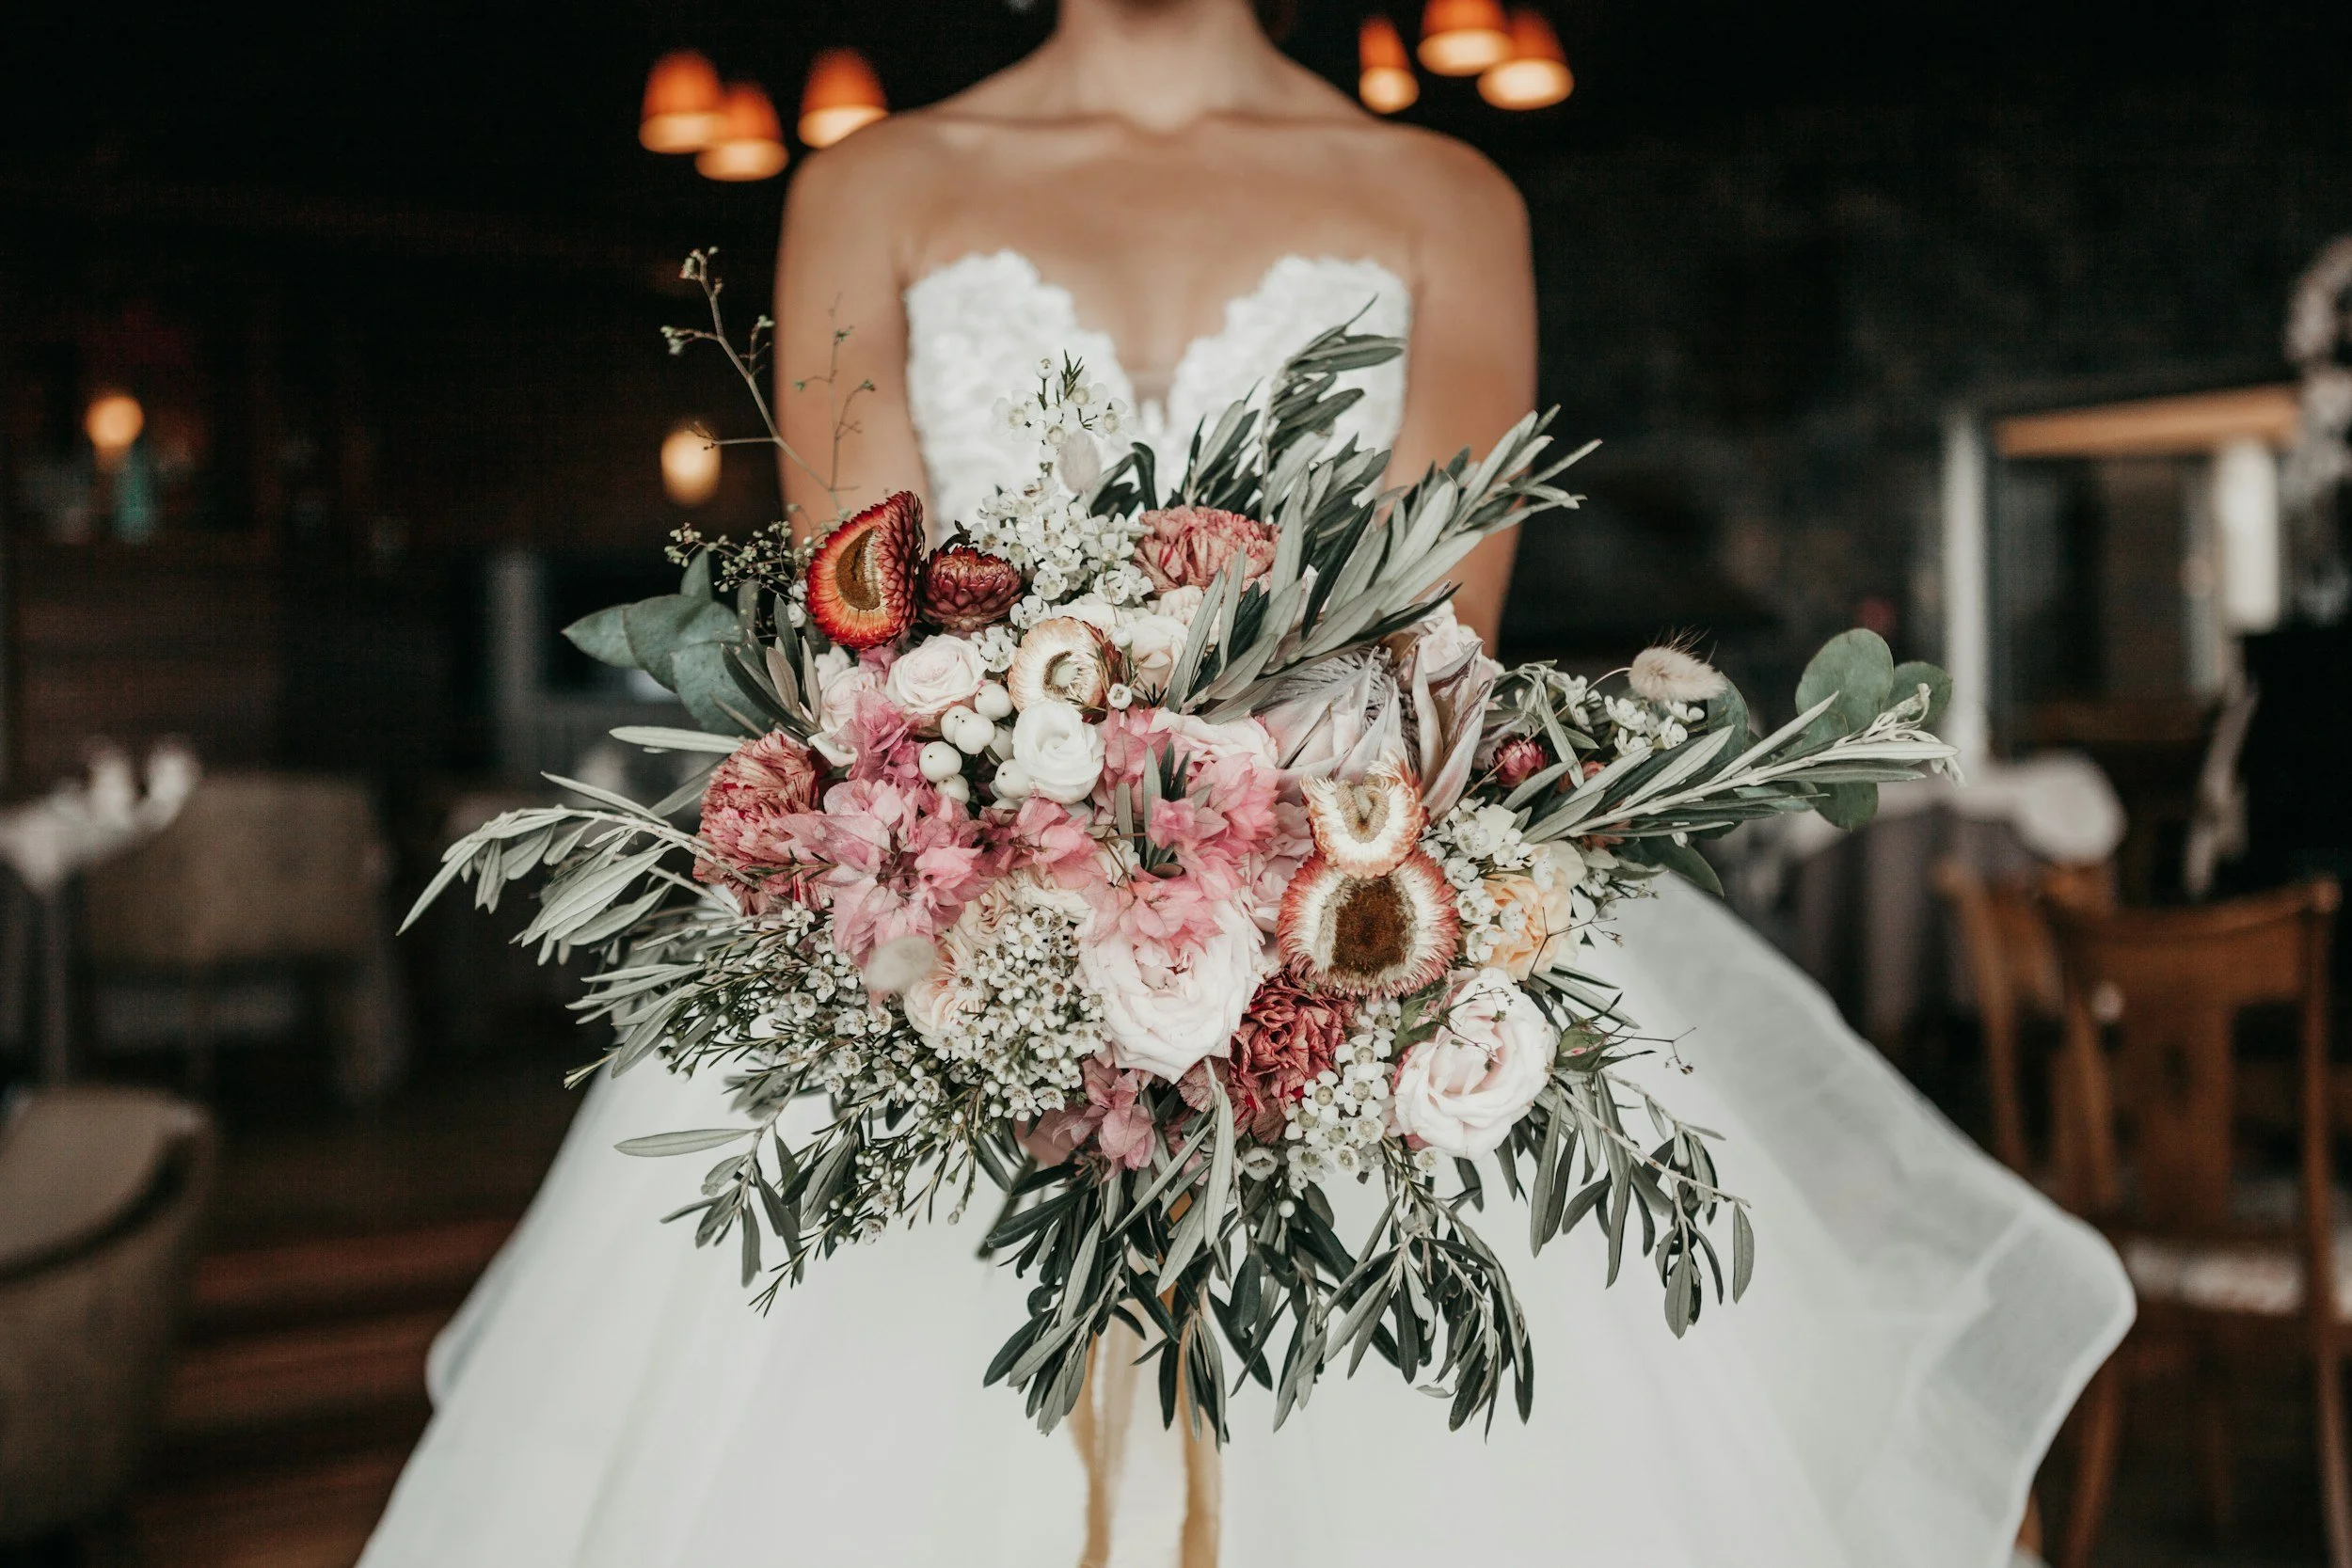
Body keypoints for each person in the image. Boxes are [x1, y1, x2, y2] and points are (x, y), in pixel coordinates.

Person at [359, 4, 2132, 1564]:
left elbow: (1429, 655)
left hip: (1346, 958)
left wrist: (1220, 893)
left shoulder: (1450, 200)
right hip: (946, 964)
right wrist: (1026, 876)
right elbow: (871, 635)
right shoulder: (872, 185)